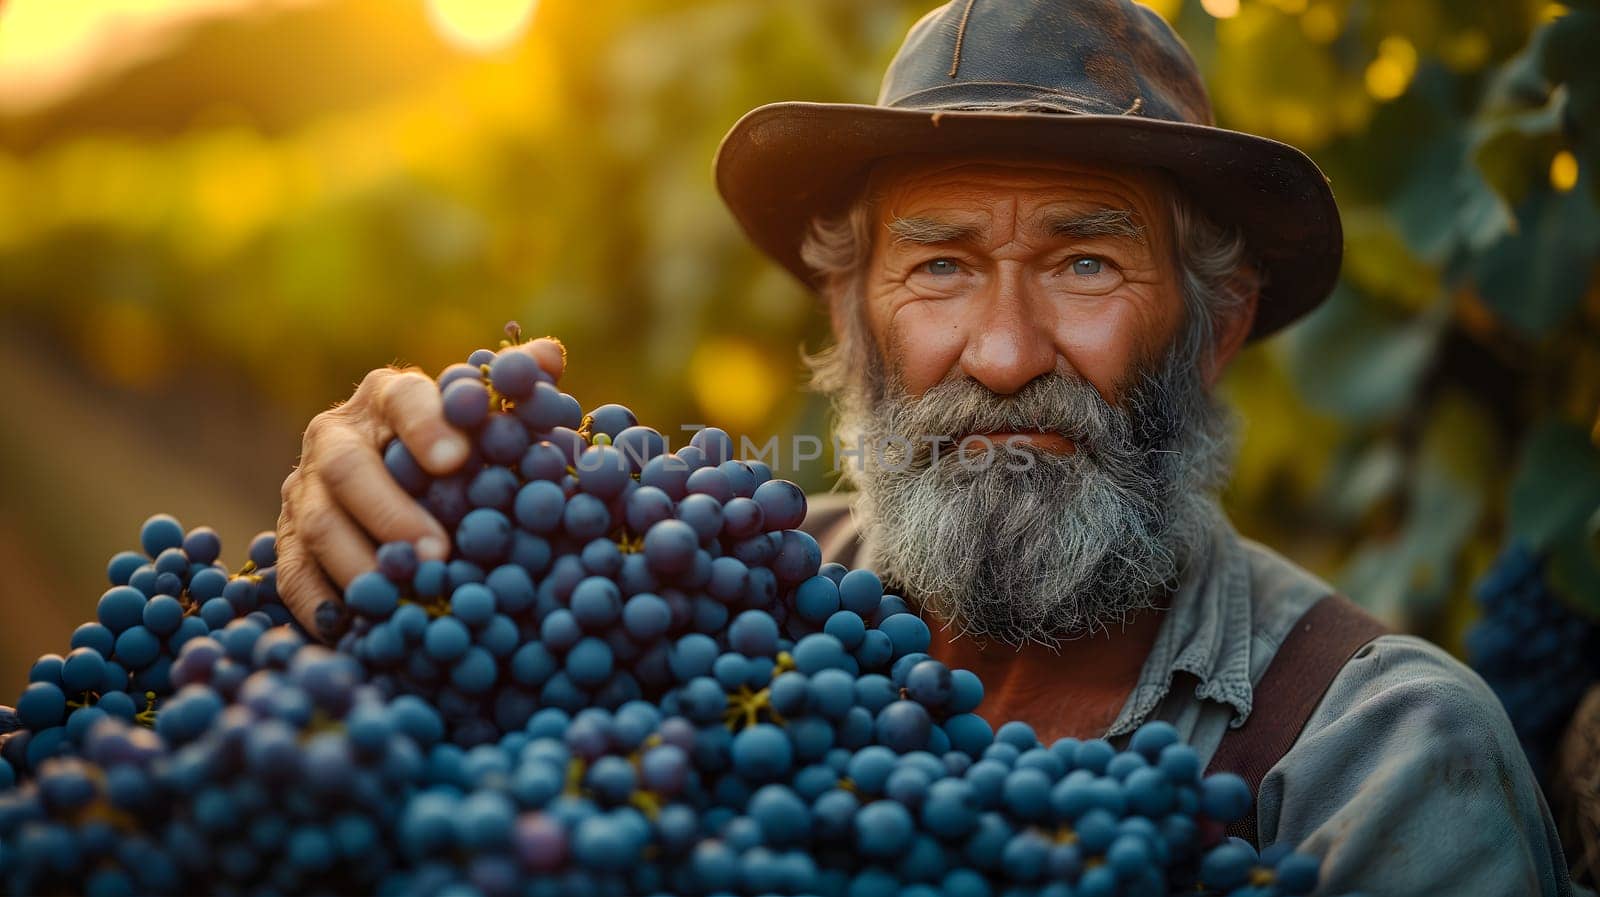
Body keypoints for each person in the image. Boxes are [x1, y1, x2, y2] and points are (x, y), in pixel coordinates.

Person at [273, 0, 1575, 892]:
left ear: (1216, 324)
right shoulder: (700, 598)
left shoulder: (1384, 765)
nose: (1003, 352)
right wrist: (376, 502)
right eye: (939, 266)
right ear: (851, 317)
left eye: (1084, 258)